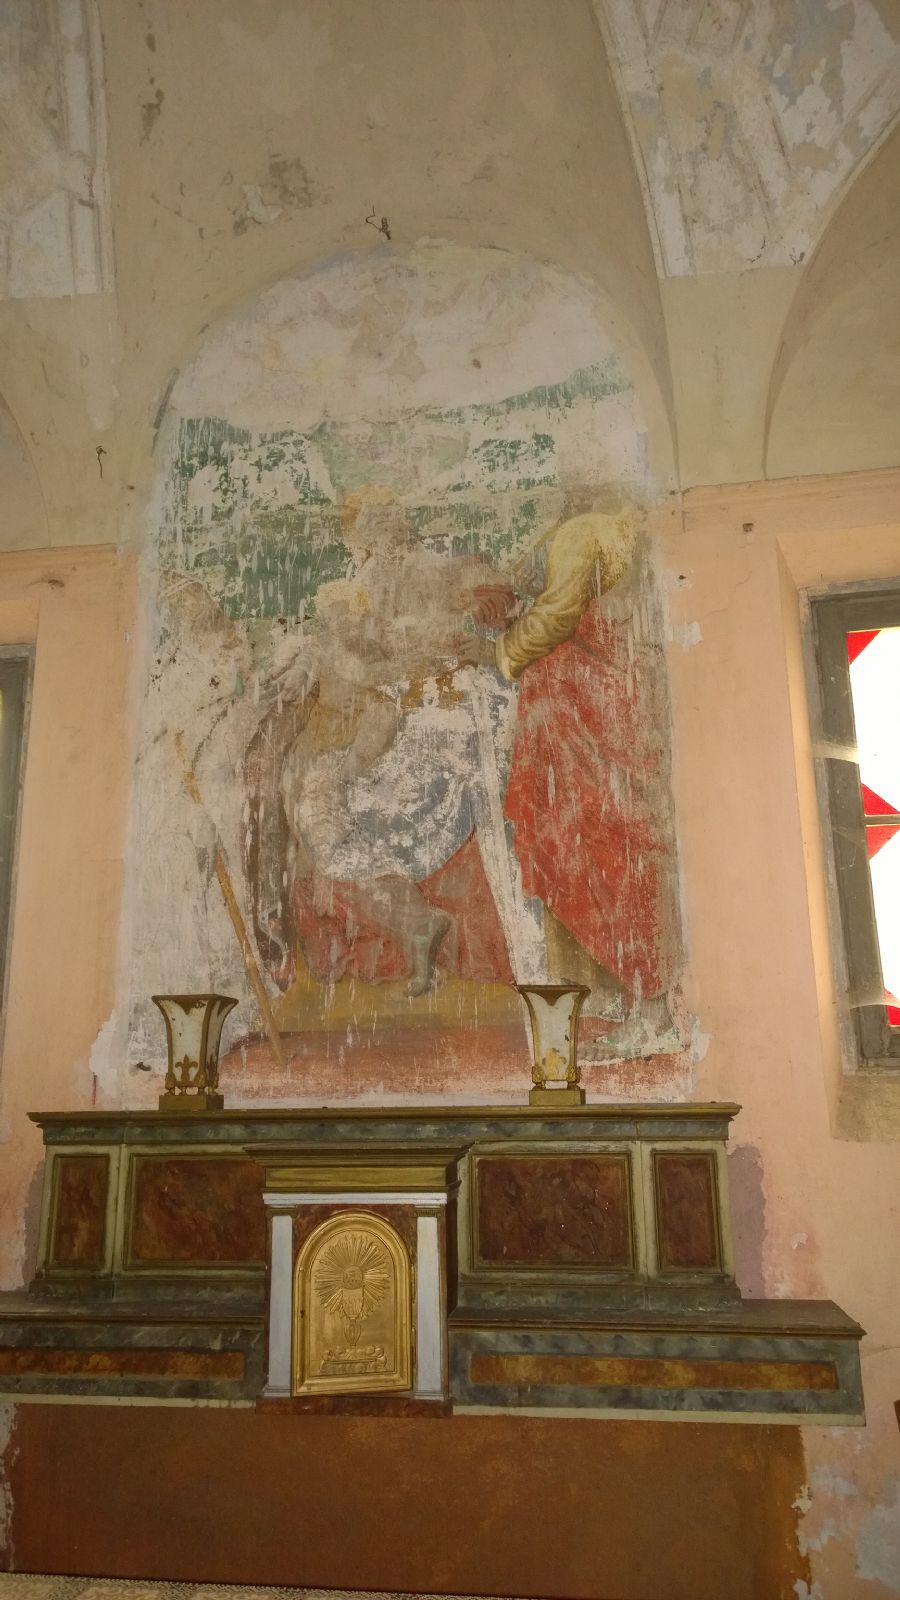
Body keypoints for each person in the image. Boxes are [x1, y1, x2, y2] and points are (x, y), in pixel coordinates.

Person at [456, 506, 673, 1025]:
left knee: (603, 846)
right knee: (579, 845)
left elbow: (557, 614)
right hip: (572, 710)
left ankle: (651, 1006)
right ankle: (619, 989)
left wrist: (496, 653)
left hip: (584, 714)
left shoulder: (584, 530)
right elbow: (540, 593)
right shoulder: (579, 529)